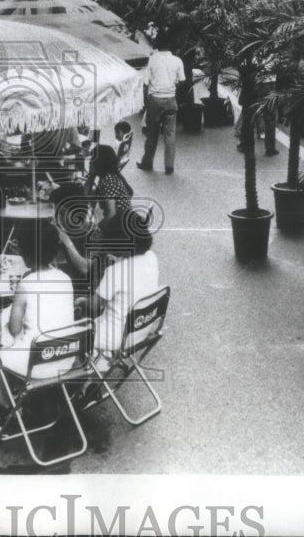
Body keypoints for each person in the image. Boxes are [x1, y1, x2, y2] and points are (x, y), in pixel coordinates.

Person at [0, 224, 76, 401]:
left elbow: (14, 329)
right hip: (65, 357)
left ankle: (8, 404)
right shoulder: (65, 278)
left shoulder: (26, 284)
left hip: (36, 364)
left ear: (25, 255)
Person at [87, 209, 160, 366]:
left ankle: (84, 372)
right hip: (141, 327)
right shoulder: (151, 257)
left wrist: (80, 301)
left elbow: (93, 306)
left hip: (114, 335)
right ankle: (101, 360)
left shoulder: (115, 271)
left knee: (74, 331)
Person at [137, 33, 185, 175]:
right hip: (170, 99)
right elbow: (182, 81)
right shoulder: (177, 61)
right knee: (170, 135)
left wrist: (146, 102)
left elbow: (146, 83)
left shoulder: (152, 60)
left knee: (152, 133)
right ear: (170, 45)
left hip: (155, 100)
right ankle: (169, 166)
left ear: (157, 44)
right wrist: (173, 86)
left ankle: (147, 162)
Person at [89, 145, 134, 222]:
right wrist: (92, 175)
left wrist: (100, 227)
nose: (90, 163)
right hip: (122, 223)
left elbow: (111, 215)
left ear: (99, 163)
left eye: (92, 160)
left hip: (119, 226)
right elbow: (88, 195)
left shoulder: (108, 182)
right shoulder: (109, 176)